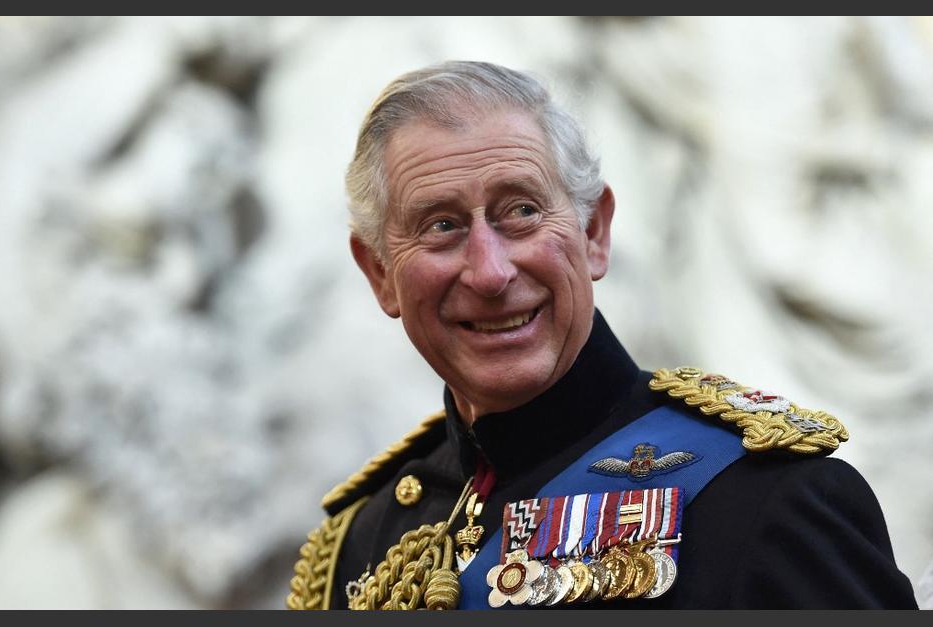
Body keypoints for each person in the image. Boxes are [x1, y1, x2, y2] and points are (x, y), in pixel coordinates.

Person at [286, 60, 918, 610]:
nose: (490, 271)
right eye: (441, 226)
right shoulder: (360, 545)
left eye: (521, 211)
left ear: (594, 233)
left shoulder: (766, 501)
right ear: (380, 274)